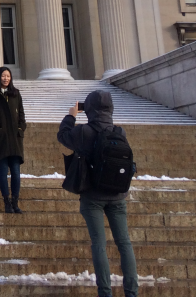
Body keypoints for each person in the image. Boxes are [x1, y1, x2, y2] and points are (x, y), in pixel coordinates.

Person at [57, 90, 138, 297]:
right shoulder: (119, 132)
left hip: (93, 196)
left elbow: (63, 135)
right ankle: (132, 292)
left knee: (99, 244)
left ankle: (105, 292)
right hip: (117, 195)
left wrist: (71, 115)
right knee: (125, 243)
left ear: (89, 109)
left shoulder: (84, 132)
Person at [0, 66, 27, 214]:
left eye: (8, 76)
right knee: (3, 171)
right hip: (1, 138)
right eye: (3, 76)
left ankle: (15, 202)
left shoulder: (16, 94)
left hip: (15, 137)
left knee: (15, 171)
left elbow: (21, 113)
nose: (6, 78)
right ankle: (6, 201)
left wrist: (21, 128)